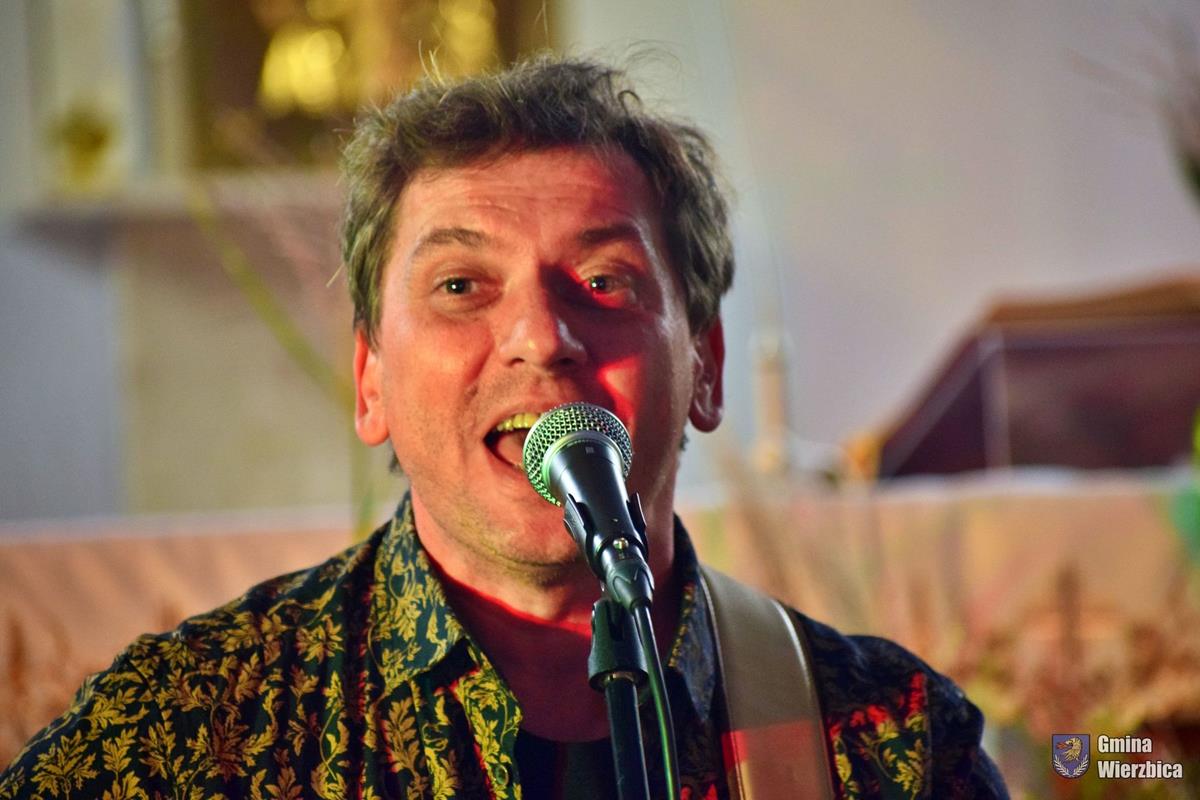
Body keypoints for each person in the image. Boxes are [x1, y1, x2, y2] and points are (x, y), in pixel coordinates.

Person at [0, 55, 1007, 799]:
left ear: (705, 367)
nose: (540, 338)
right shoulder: (193, 730)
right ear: (370, 379)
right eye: (460, 285)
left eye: (605, 280)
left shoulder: (891, 741)